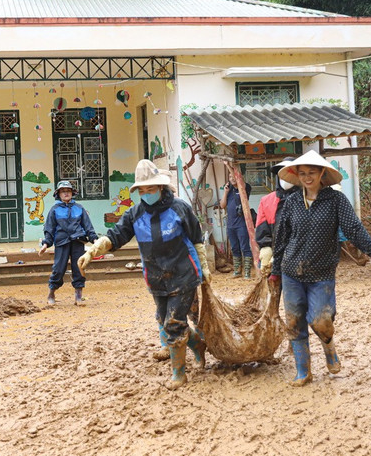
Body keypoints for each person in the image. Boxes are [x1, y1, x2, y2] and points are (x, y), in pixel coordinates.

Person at [78, 160, 210, 390]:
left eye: (151, 189)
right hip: (156, 277)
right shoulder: (134, 214)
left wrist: (205, 268)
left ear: (161, 188)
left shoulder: (180, 208)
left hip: (183, 274)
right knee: (165, 320)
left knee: (174, 323)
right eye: (142, 190)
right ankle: (198, 345)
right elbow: (116, 236)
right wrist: (93, 251)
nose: (147, 194)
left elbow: (196, 238)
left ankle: (178, 374)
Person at [271, 151, 371, 387]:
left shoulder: (336, 201)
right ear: (296, 175)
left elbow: (354, 229)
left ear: (322, 173)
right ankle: (303, 371)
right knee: (294, 322)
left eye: (312, 173)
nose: (307, 178)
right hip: (291, 271)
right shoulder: (292, 202)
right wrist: (276, 269)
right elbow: (281, 238)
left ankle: (328, 346)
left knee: (321, 320)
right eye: (302, 173)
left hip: (322, 273)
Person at [39, 181, 98, 306]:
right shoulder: (54, 210)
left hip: (78, 241)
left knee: (79, 268)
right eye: (63, 191)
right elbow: (49, 228)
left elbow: (88, 226)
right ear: (58, 194)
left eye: (68, 191)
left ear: (72, 193)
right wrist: (46, 244)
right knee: (58, 268)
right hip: (62, 242)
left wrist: (95, 240)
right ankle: (51, 293)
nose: (66, 193)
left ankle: (78, 296)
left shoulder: (79, 208)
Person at [255, 157, 298, 273]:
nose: (286, 178)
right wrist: (265, 248)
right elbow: (261, 227)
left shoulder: (306, 198)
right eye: (283, 173)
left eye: (290, 173)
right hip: (274, 256)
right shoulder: (266, 200)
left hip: (300, 257)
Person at [220, 173, 253, 278]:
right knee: (235, 248)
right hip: (231, 224)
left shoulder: (245, 187)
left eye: (234, 176)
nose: (232, 178)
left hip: (242, 224)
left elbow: (244, 189)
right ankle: (237, 271)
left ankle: (247, 272)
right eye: (230, 177)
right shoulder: (228, 190)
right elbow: (222, 205)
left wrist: (238, 180)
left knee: (245, 248)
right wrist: (225, 192)